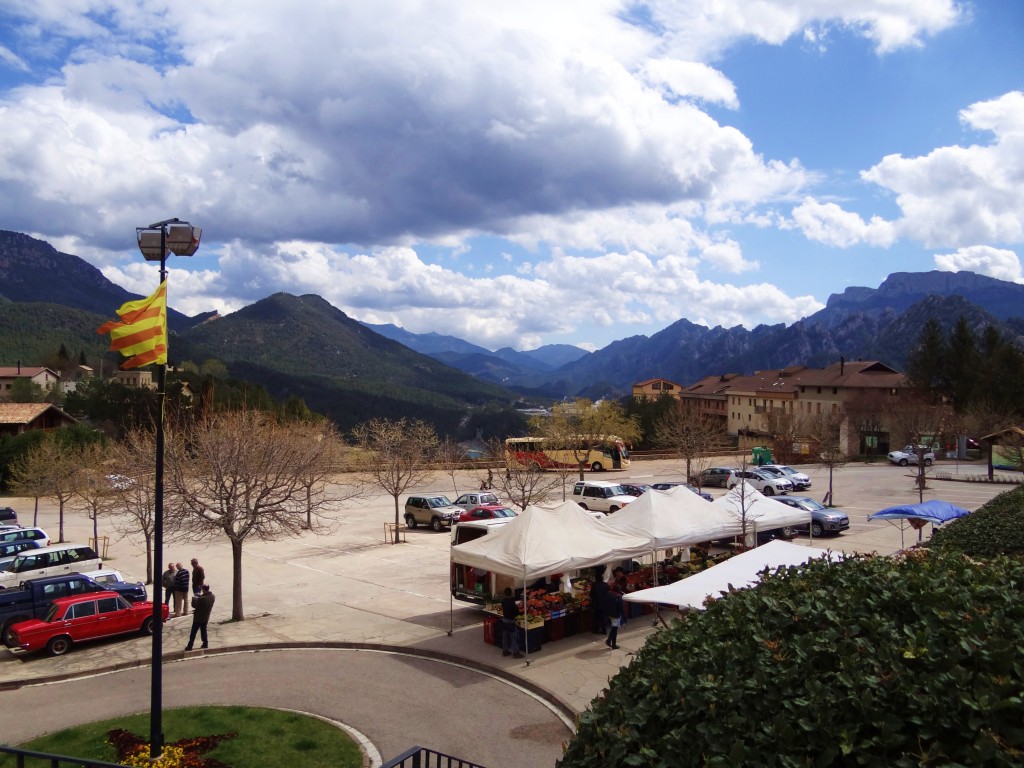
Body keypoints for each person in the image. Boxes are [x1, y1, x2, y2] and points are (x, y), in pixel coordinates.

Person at [185, 584, 216, 650]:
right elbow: (204, 601)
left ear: (203, 589)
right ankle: (205, 643)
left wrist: (194, 598)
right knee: (203, 631)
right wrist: (200, 596)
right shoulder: (212, 596)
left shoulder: (202, 599)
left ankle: (190, 646)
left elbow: (194, 605)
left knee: (193, 633)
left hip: (198, 618)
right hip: (206, 617)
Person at [500, 587, 523, 659]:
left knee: (505, 637)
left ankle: (505, 651)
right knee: (514, 638)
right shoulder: (512, 602)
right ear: (511, 593)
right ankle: (516, 653)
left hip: (504, 620)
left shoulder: (503, 601)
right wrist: (518, 608)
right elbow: (516, 612)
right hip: (511, 621)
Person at [589, 566, 609, 635]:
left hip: (597, 604)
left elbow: (591, 594)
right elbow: (608, 593)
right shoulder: (606, 585)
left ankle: (596, 629)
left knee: (597, 617)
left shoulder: (594, 585)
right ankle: (604, 629)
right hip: (604, 603)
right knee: (603, 617)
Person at [605, 585, 624, 650]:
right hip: (615, 615)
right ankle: (612, 644)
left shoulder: (608, 594)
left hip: (609, 613)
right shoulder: (618, 597)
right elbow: (621, 608)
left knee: (613, 628)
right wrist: (624, 617)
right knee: (614, 629)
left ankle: (610, 641)